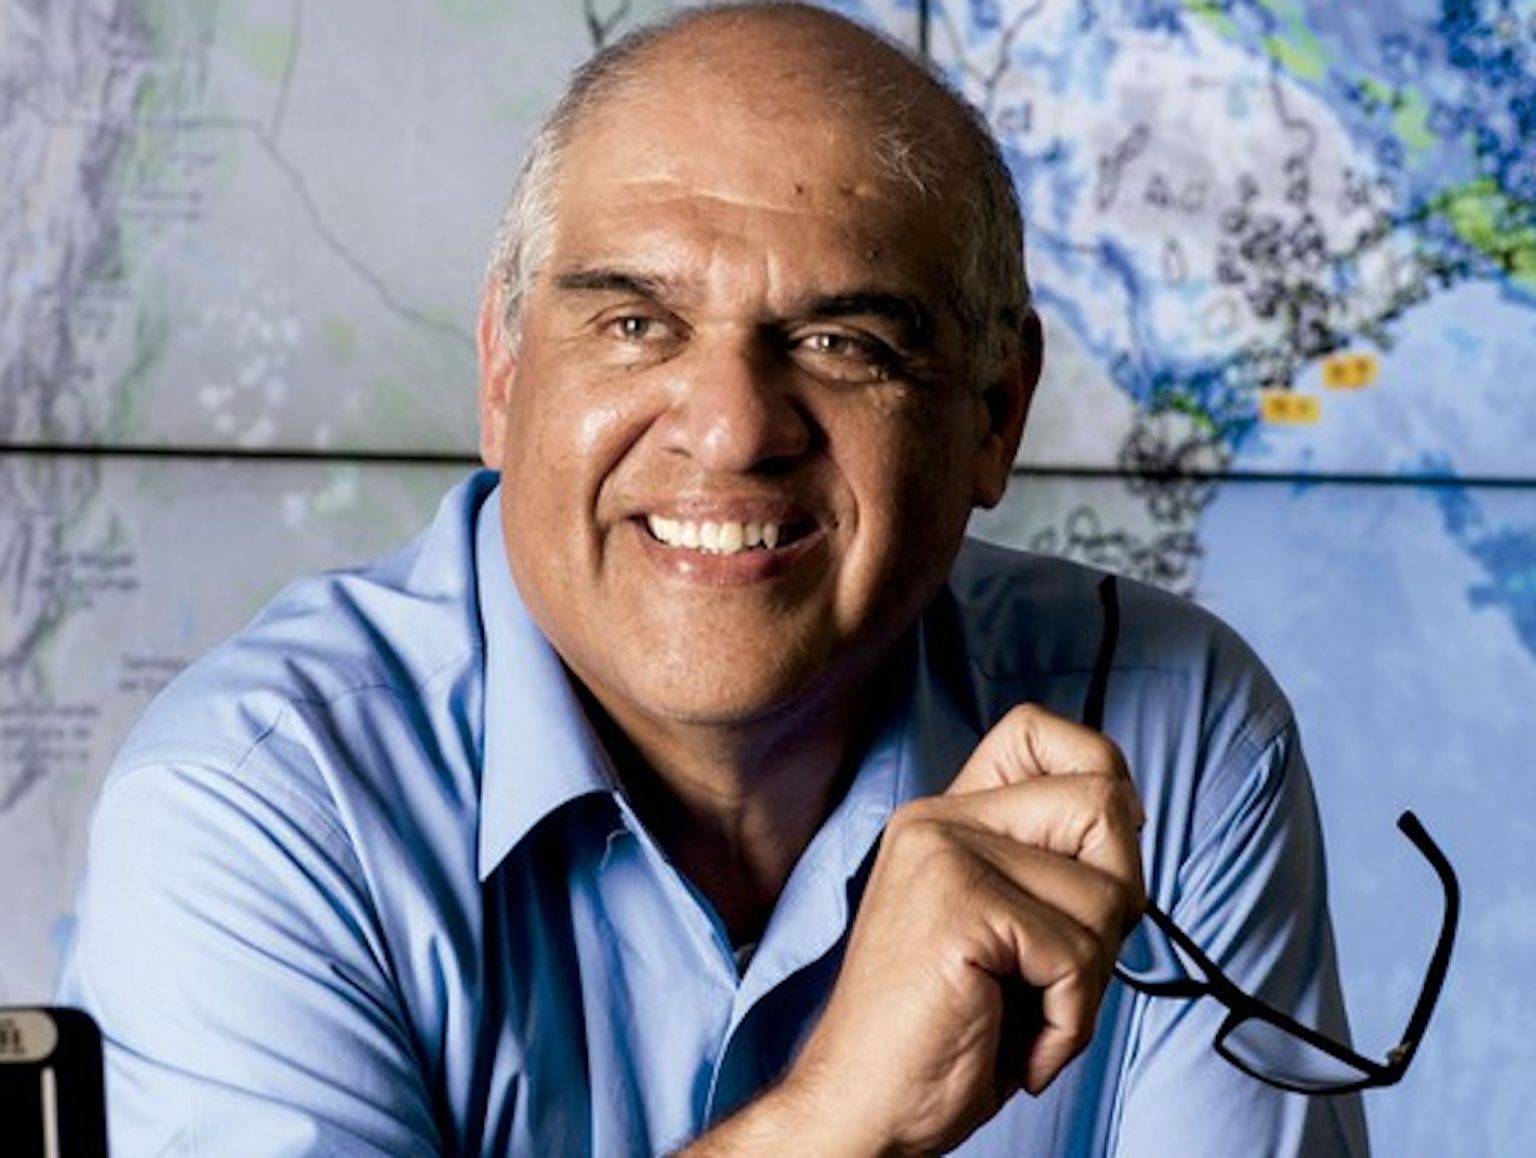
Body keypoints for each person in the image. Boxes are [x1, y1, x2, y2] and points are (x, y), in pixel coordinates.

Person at [57, 3, 1368, 1154]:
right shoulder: (259, 800)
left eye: (841, 340)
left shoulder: (1173, 735)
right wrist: (833, 1120)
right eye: (637, 324)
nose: (732, 430)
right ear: (503, 374)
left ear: (993, 413)